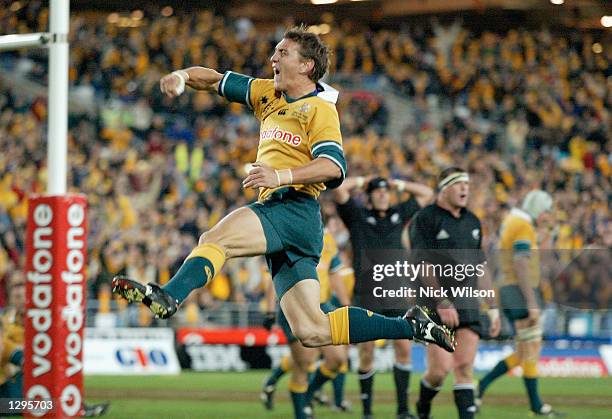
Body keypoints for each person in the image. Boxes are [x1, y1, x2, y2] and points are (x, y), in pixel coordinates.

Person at [112, 22, 455, 380]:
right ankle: (411, 326)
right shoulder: (267, 93)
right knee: (313, 331)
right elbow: (212, 79)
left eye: (282, 52)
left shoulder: (319, 110)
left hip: (291, 207)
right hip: (297, 225)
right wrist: (182, 75)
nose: (272, 57)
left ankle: (169, 296)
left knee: (216, 240)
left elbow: (333, 167)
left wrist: (281, 176)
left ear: (307, 66)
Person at [333, 175, 434, 419]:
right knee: (366, 351)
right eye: (377, 191)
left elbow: (426, 193)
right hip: (366, 294)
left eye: (385, 191)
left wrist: (397, 183)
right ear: (369, 195)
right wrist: (361, 181)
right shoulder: (356, 217)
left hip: (395, 293)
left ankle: (402, 410)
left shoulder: (398, 214)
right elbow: (338, 190)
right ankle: (367, 412)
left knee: (403, 349)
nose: (382, 194)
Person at [409, 167, 500, 419]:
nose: (465, 189)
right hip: (433, 303)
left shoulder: (473, 221)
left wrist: (492, 308)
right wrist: (442, 301)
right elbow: (422, 263)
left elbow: (480, 266)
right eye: (459, 184)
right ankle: (423, 405)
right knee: (440, 370)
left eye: (467, 185)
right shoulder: (425, 219)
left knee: (464, 368)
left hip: (467, 300)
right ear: (445, 188)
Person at [476, 190, 564, 417]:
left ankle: (485, 387)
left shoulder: (514, 222)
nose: (547, 215)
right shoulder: (522, 225)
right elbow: (521, 263)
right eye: (545, 210)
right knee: (531, 347)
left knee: (526, 349)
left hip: (509, 290)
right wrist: (532, 301)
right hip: (519, 291)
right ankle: (535, 405)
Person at [260, 227, 351, 418]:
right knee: (304, 362)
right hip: (295, 305)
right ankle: (301, 412)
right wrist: (269, 311)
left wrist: (345, 304)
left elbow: (334, 274)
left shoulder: (328, 240)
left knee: (337, 359)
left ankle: (308, 394)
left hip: (323, 305)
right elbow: (272, 275)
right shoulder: (286, 235)